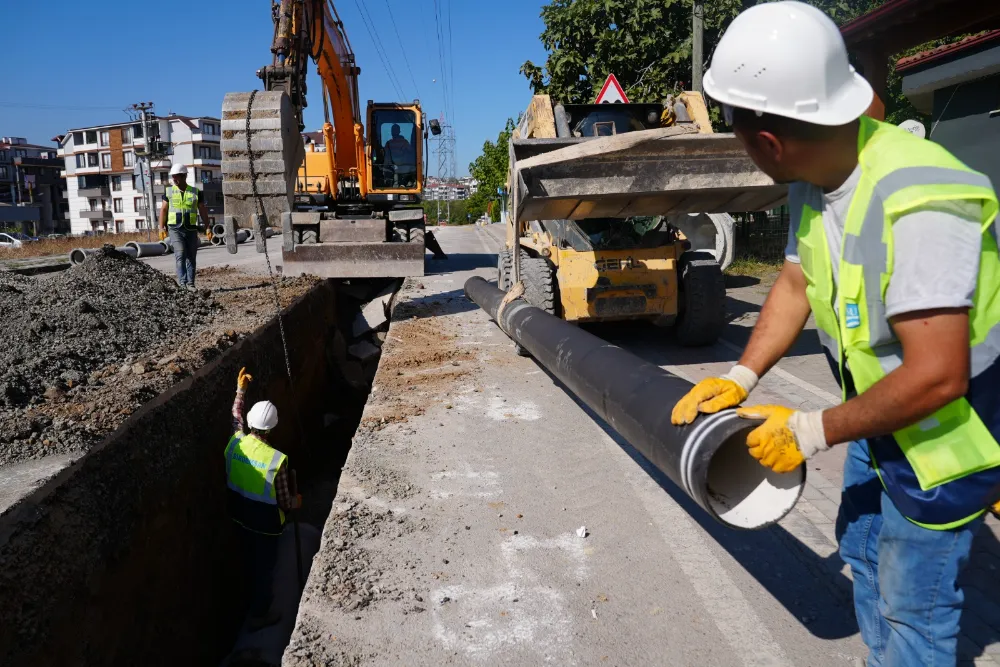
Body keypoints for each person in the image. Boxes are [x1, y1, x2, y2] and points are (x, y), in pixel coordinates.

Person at [671, 3, 1000, 665]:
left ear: (768, 143)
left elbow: (939, 375)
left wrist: (809, 430)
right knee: (860, 547)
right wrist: (741, 376)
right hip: (878, 417)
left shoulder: (921, 198)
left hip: (944, 441)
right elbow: (795, 284)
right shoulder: (815, 178)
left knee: (917, 609)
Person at [226, 367, 301, 629]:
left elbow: (235, 418)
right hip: (266, 528)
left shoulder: (237, 443)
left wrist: (240, 391)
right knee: (264, 571)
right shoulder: (275, 461)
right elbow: (284, 502)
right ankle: (261, 614)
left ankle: (244, 604)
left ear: (251, 423)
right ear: (272, 429)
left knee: (247, 562)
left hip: (239, 517)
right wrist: (296, 503)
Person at [159, 163, 210, 290]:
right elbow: (164, 210)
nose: (174, 179)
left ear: (184, 176)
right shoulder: (169, 191)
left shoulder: (195, 192)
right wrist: (161, 227)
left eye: (176, 177)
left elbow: (202, 210)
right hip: (175, 228)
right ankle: (182, 283)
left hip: (191, 229)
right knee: (180, 254)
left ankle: (190, 284)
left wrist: (208, 226)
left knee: (191, 257)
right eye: (173, 177)